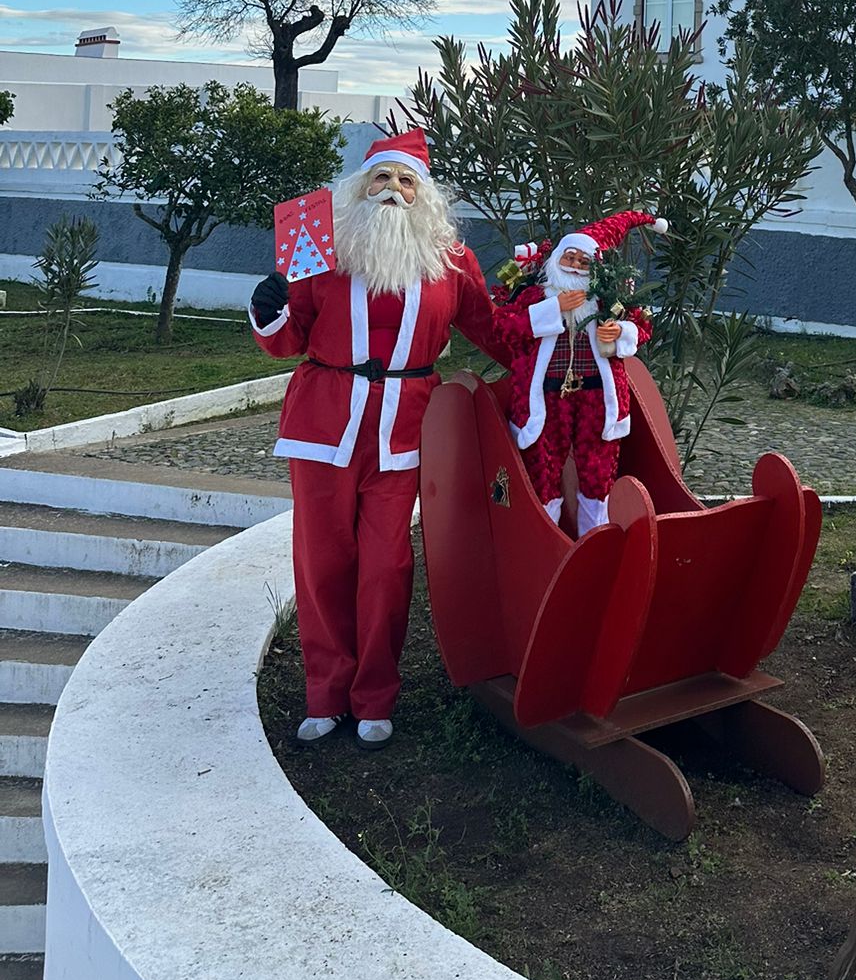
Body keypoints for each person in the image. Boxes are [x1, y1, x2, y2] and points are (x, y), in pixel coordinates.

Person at [249, 129, 511, 747]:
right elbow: (288, 341)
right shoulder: (323, 249)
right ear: (359, 188)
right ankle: (325, 693)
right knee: (321, 563)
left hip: (404, 429)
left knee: (387, 566)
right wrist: (271, 307)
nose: (392, 190)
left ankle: (373, 696)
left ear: (425, 196)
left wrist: (566, 350)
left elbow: (494, 330)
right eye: (381, 179)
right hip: (324, 425)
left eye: (405, 181)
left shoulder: (451, 262)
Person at [493, 209, 665, 536]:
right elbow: (503, 327)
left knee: (597, 473)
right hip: (546, 397)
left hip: (597, 398)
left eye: (583, 262)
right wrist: (554, 309)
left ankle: (595, 538)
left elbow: (643, 327)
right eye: (568, 258)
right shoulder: (534, 296)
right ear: (555, 260)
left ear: (595, 268)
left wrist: (620, 333)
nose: (574, 266)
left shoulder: (607, 300)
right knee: (543, 471)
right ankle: (545, 539)